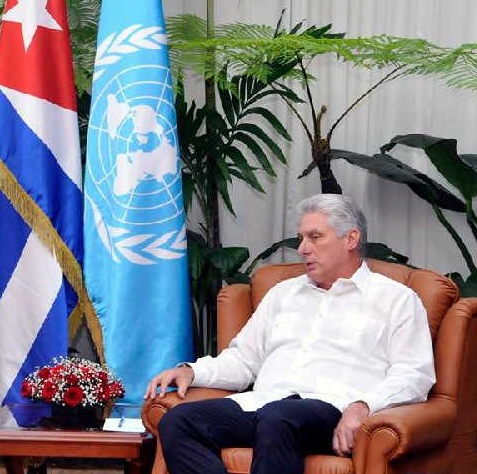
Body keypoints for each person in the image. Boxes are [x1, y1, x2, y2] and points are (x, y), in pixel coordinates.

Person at [145, 193, 435, 474]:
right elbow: (245, 359)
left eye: (315, 237)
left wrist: (363, 406)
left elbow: (414, 374)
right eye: (302, 238)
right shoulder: (283, 293)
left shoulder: (396, 300)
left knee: (279, 417)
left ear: (351, 239)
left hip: (332, 411)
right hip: (263, 405)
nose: (303, 248)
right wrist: (193, 372)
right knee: (179, 421)